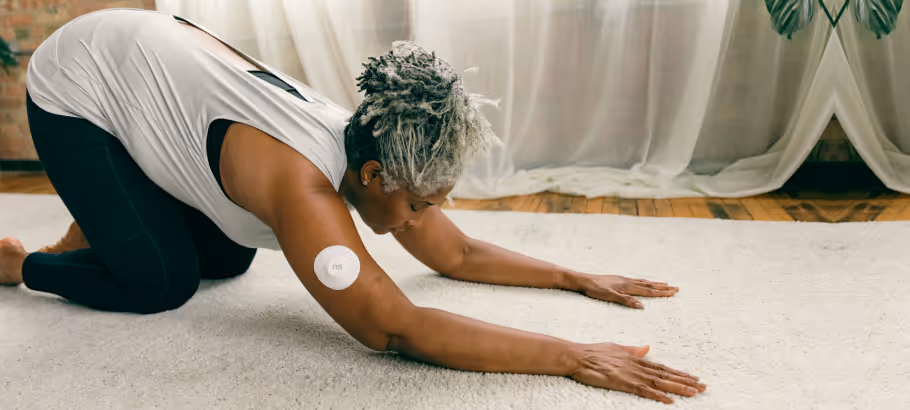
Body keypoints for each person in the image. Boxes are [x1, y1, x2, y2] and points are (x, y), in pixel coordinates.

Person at [0, 8, 705, 404]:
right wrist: (570, 356)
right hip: (80, 86)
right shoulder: (301, 189)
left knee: (226, 254)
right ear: (372, 174)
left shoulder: (375, 145)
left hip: (146, 66)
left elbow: (455, 255)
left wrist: (574, 277)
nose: (422, 221)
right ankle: (25, 265)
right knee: (163, 283)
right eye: (420, 205)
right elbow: (393, 328)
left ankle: (107, 216)